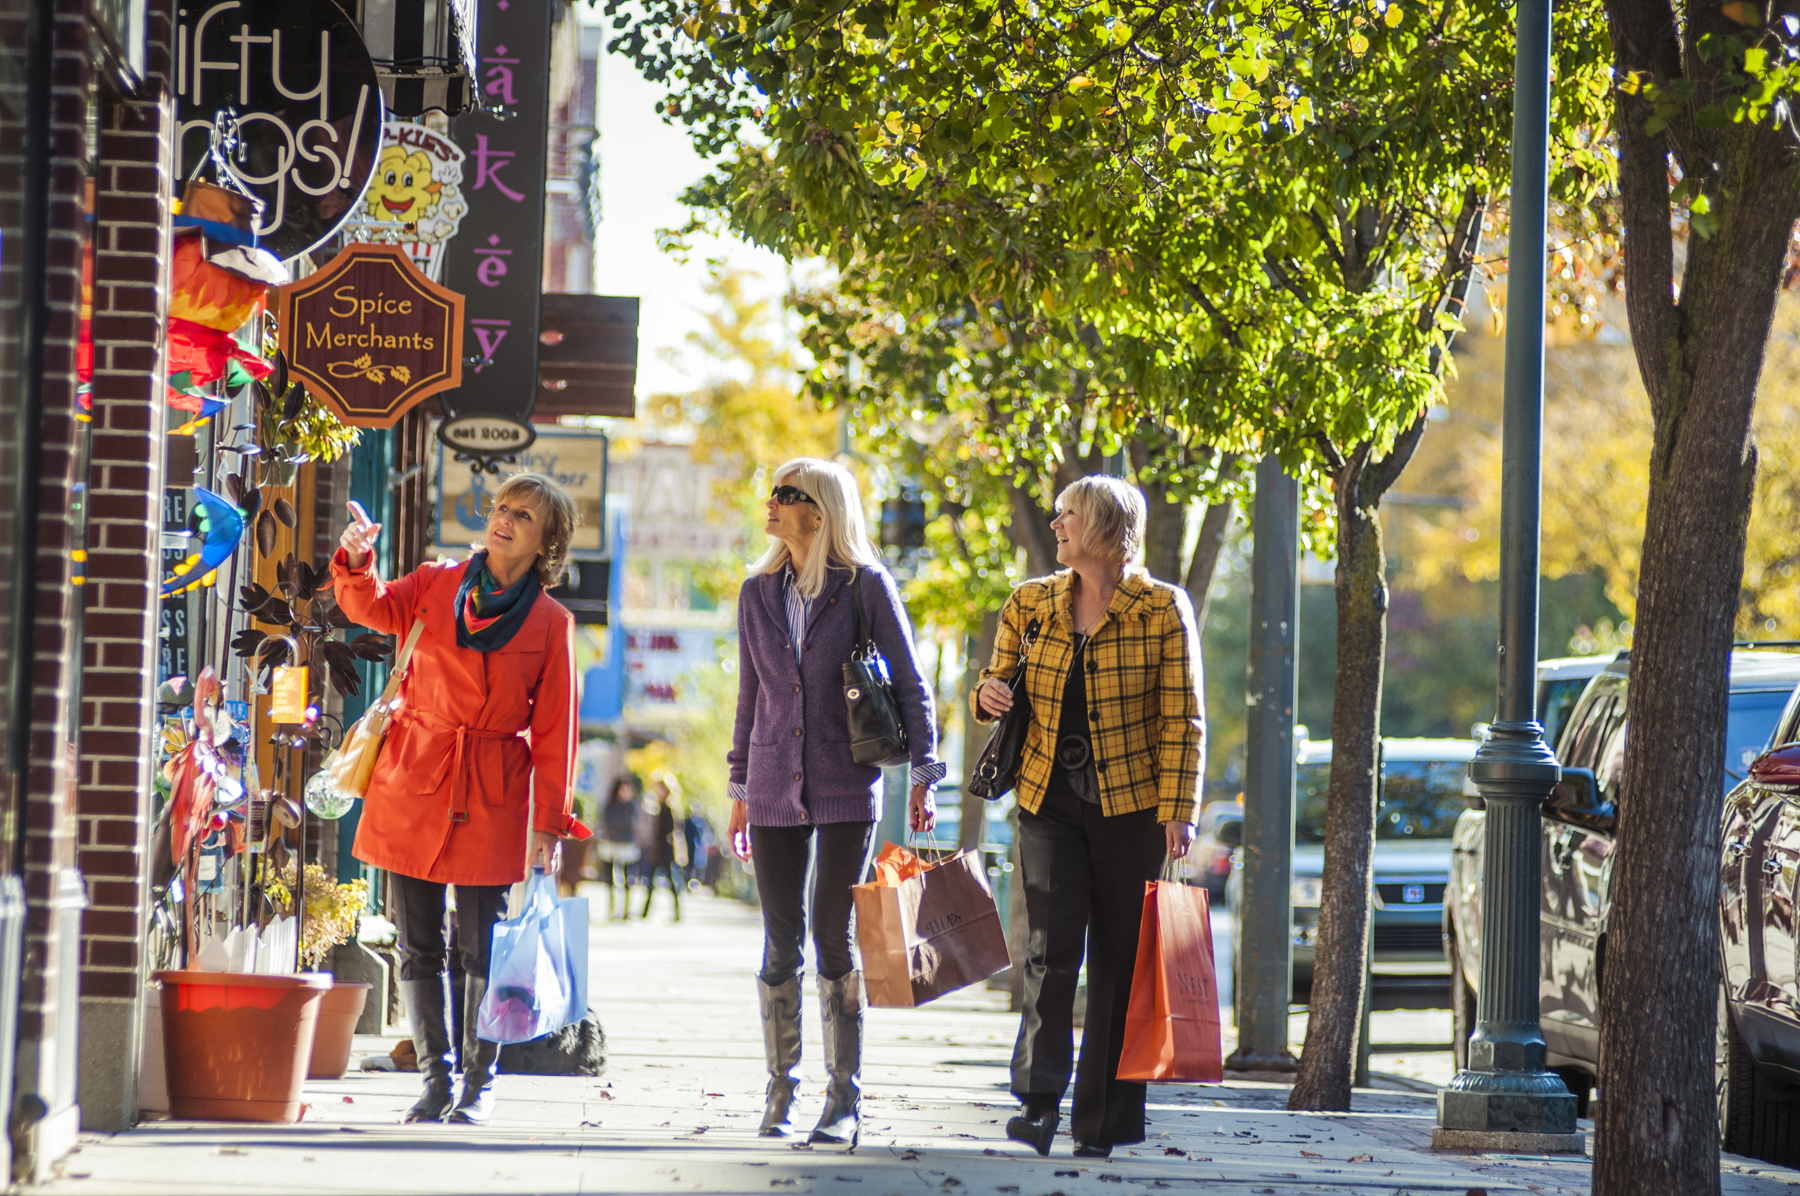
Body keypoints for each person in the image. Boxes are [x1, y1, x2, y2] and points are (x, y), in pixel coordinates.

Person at [332, 474, 591, 1126]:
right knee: (418, 945)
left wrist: (549, 825)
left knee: (482, 948)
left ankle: (479, 1081)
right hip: (411, 779)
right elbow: (370, 607)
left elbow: (557, 733)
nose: (503, 520)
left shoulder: (552, 623)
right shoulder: (435, 582)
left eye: (522, 516)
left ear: (546, 542)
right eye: (502, 507)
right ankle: (434, 1080)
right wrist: (359, 560)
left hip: (493, 789)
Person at [973, 474, 1203, 1159]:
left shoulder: (1161, 607)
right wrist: (987, 694)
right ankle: (1039, 1102)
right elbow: (996, 682)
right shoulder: (1031, 602)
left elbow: (1182, 718)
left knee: (1118, 963)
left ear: (1103, 525)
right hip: (1046, 797)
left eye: (1068, 515)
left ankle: (1101, 1124)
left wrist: (1179, 810)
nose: (1056, 524)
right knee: (1049, 950)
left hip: (1132, 806)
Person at [727, 458, 945, 1147]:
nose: (771, 502)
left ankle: (842, 1098)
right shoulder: (756, 592)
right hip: (769, 783)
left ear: (817, 514)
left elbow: (910, 681)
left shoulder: (864, 586)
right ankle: (781, 1088)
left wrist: (926, 774)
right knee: (778, 940)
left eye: (785, 494)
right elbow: (751, 697)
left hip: (847, 780)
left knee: (831, 935)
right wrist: (739, 785)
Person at [640, 773, 687, 920]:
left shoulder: (669, 808)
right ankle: (645, 912)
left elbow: (671, 831)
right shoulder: (657, 807)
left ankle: (677, 912)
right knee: (651, 882)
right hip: (657, 850)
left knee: (671, 882)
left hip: (666, 851)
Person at [596, 776, 641, 920]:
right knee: (609, 879)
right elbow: (607, 823)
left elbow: (632, 825)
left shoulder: (633, 807)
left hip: (626, 845)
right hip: (610, 844)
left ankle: (626, 910)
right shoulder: (609, 806)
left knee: (628, 879)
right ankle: (611, 909)